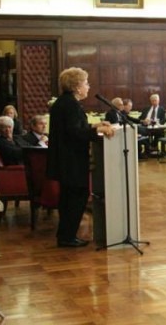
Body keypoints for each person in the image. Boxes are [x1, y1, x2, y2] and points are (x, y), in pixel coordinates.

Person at [48, 67, 115, 248]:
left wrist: (94, 126)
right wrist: (98, 131)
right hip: (71, 161)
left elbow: (75, 128)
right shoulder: (70, 104)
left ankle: (65, 235)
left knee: (70, 197)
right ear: (77, 86)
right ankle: (67, 237)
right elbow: (75, 133)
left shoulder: (65, 102)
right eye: (86, 83)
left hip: (66, 160)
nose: (88, 86)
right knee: (76, 196)